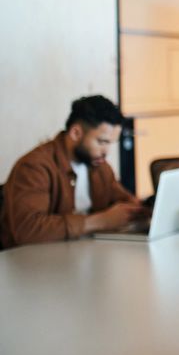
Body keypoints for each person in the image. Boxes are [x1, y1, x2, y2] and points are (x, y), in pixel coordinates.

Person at [0, 95, 142, 249]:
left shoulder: (100, 167)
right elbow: (27, 230)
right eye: (102, 142)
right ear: (76, 133)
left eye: (110, 143)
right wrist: (100, 221)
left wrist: (144, 209)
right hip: (32, 264)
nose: (106, 152)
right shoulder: (34, 167)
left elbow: (123, 201)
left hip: (78, 255)